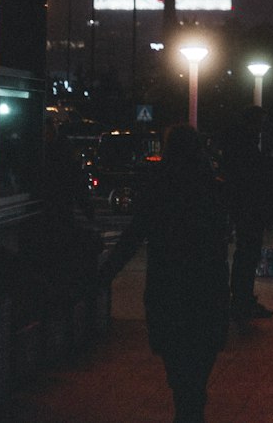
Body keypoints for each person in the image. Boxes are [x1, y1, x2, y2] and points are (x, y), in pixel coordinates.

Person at [98, 124, 229, 423]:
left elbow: (133, 236)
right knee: (198, 369)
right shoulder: (213, 187)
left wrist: (105, 275)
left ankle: (186, 410)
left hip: (167, 286)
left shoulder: (159, 187)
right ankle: (193, 409)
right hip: (207, 287)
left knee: (178, 368)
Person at [219, 105, 273, 320]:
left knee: (244, 254)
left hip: (242, 208)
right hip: (250, 208)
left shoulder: (236, 144)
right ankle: (243, 301)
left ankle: (241, 299)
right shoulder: (248, 147)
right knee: (248, 255)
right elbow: (256, 179)